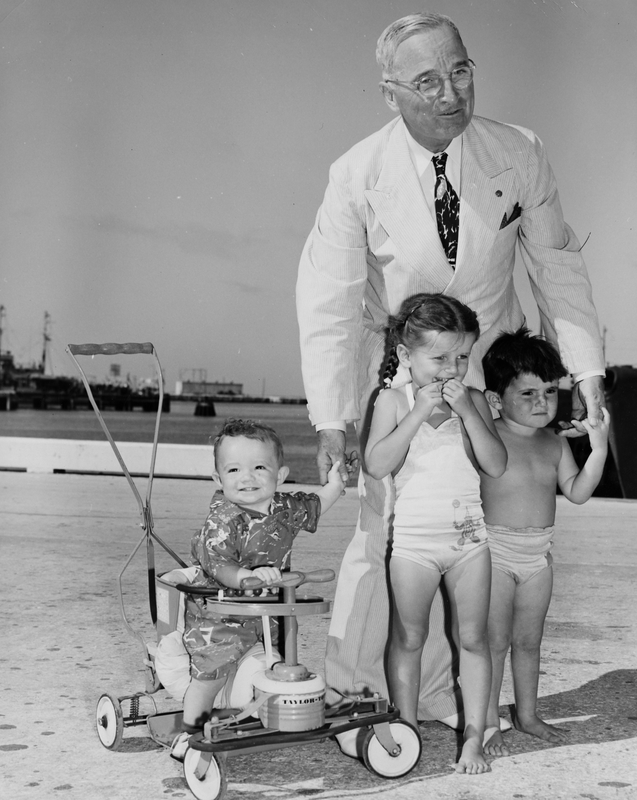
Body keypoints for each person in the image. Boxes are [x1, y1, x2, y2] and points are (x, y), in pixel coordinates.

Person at [295, 11, 605, 737]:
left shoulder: (519, 151)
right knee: (383, 538)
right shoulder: (355, 174)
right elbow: (330, 304)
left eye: (459, 71)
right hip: (399, 382)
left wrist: (586, 371)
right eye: (426, 80)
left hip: (480, 386)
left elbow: (556, 267)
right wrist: (330, 421)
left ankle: (438, 700)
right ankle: (348, 691)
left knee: (468, 540)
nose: (448, 94)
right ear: (389, 92)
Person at [365, 293, 506, 773]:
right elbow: (377, 463)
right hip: (413, 546)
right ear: (407, 356)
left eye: (463, 356)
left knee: (474, 639)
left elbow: (496, 464)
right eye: (440, 358)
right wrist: (417, 414)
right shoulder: (393, 400)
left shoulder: (472, 401)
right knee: (408, 637)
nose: (452, 368)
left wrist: (469, 413)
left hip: (470, 542)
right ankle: (407, 730)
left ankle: (475, 736)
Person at [171, 418, 345, 760]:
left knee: (279, 659)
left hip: (268, 613)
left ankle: (275, 712)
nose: (247, 477)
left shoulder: (284, 509)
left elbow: (317, 503)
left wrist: (336, 483)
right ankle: (189, 731)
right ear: (218, 479)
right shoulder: (223, 520)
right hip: (220, 617)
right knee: (211, 673)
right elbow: (218, 565)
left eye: (259, 467)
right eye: (234, 470)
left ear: (279, 475)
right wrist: (248, 576)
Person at [480, 329, 609, 757]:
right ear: (497, 400)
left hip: (539, 557)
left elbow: (576, 491)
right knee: (494, 643)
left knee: (529, 641)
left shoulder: (553, 443)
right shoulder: (487, 436)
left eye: (551, 392)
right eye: (528, 393)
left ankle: (528, 714)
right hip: (493, 553)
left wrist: (599, 447)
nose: (543, 403)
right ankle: (484, 720)